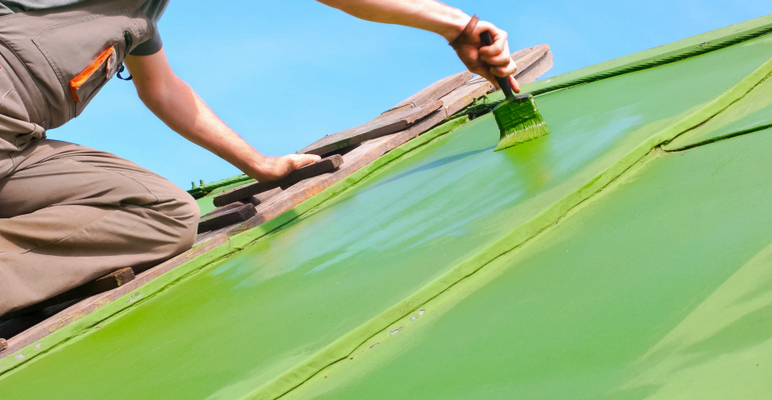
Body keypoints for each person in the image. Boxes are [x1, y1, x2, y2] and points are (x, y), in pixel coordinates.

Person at [0, 0, 520, 317]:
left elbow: (163, 90)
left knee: (164, 213)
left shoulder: (136, 17)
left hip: (16, 147)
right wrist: (457, 23)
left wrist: (261, 165)